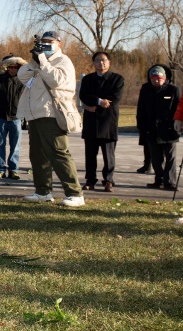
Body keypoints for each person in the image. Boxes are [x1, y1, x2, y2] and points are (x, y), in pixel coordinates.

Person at [17, 31, 85, 207]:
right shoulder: (39, 62)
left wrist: (44, 62)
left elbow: (56, 81)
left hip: (52, 114)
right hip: (35, 114)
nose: (46, 45)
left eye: (50, 42)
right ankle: (43, 191)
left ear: (59, 44)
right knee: (37, 156)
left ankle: (75, 193)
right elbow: (22, 76)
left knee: (58, 153)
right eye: (44, 42)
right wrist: (34, 60)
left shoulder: (64, 61)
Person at [78, 51, 125, 192]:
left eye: (104, 60)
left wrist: (94, 104)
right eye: (97, 60)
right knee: (90, 154)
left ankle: (108, 180)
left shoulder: (117, 79)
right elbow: (83, 96)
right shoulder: (87, 80)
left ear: (109, 62)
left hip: (108, 122)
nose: (101, 63)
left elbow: (114, 98)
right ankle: (90, 181)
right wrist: (99, 101)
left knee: (108, 154)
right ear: (93, 63)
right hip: (91, 120)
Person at [137, 65, 179, 191]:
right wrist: (141, 126)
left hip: (169, 130)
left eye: (159, 78)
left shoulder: (173, 90)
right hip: (151, 129)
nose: (156, 81)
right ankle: (158, 180)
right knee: (156, 158)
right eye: (153, 78)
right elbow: (141, 109)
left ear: (164, 78)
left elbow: (178, 109)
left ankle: (170, 182)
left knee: (170, 158)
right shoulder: (145, 89)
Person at [0, 54, 26, 180]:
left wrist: (26, 118)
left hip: (16, 118)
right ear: (6, 67)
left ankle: (13, 169)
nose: (13, 69)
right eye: (10, 67)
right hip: (0, 117)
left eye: (16, 67)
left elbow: (28, 99)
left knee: (15, 146)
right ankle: (0, 169)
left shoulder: (23, 80)